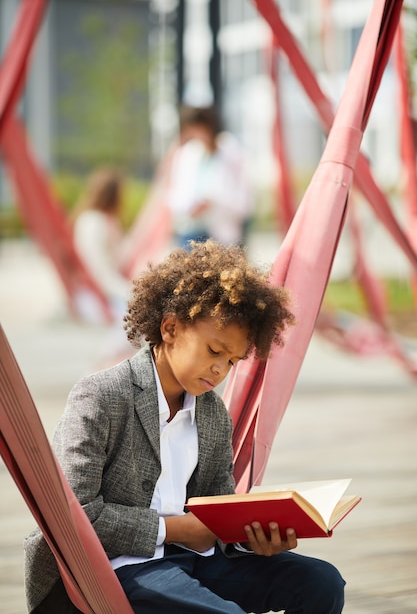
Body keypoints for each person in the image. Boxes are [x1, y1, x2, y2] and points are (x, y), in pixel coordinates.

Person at [24, 240, 345, 614]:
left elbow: (216, 509)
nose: (220, 370)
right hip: (114, 569)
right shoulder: (101, 396)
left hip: (193, 560)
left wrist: (252, 539)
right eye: (213, 351)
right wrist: (174, 530)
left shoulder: (212, 415)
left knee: (321, 583)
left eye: (232, 361)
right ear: (171, 327)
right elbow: (74, 515)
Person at [72, 167, 134, 367]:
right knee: (137, 320)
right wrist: (128, 290)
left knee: (138, 322)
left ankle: (108, 366)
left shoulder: (106, 221)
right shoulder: (93, 222)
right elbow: (98, 270)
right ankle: (103, 364)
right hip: (94, 293)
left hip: (106, 289)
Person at [167, 106, 254, 248]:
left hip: (223, 236)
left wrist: (213, 203)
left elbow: (244, 202)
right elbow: (175, 196)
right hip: (190, 232)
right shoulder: (187, 154)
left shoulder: (231, 152)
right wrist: (192, 206)